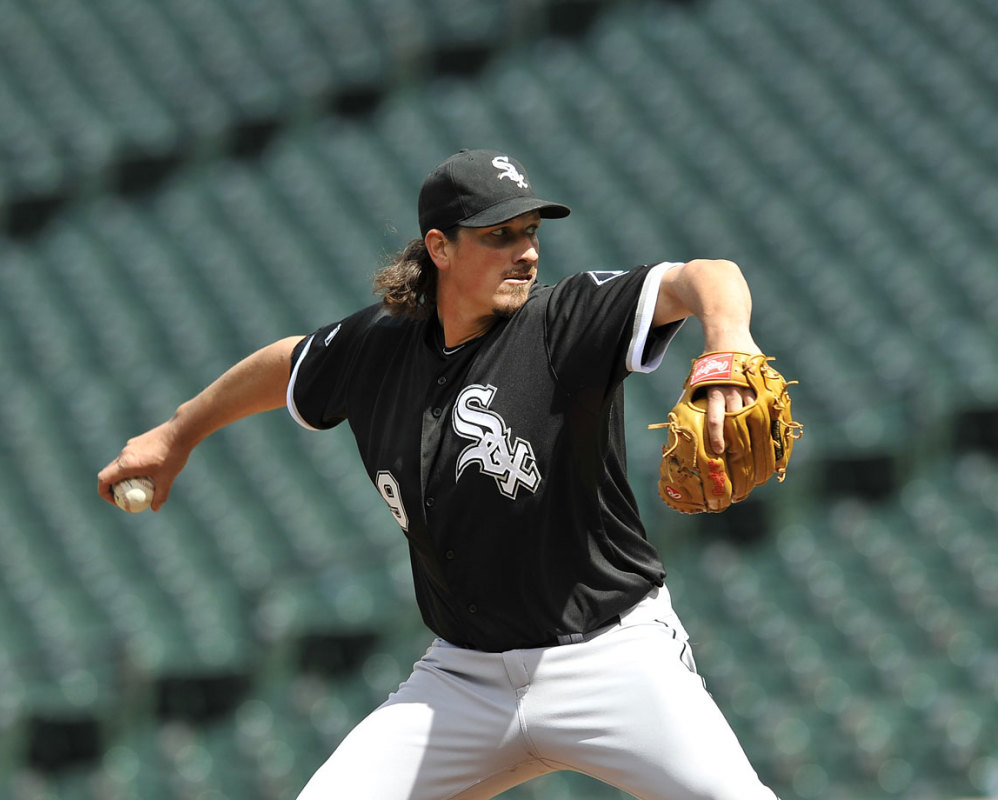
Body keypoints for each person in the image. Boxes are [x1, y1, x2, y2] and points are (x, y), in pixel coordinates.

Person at [98, 149, 779, 799]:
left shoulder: (564, 319)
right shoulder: (377, 347)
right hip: (465, 679)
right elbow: (289, 363)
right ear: (440, 247)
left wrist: (730, 341)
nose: (528, 250)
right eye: (500, 234)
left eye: (532, 231)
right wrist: (175, 434)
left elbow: (705, 275)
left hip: (609, 656)